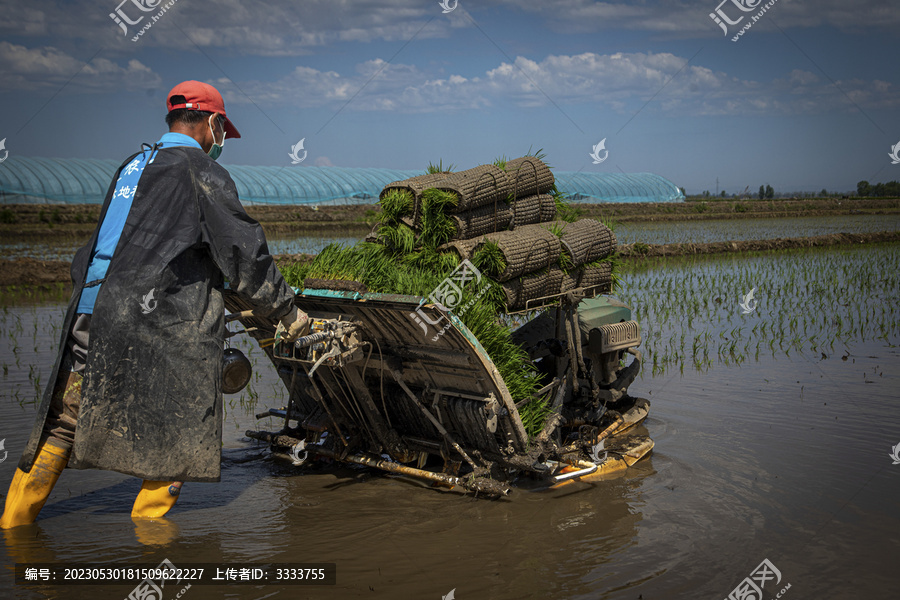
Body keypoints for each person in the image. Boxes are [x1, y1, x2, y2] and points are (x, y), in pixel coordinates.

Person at [0, 80, 308, 528]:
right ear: (213, 122)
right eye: (222, 131)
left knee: (64, 423)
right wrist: (287, 311)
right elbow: (244, 251)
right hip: (157, 324)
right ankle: (153, 556)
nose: (221, 141)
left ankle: (13, 533)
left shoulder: (132, 166)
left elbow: (92, 252)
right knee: (178, 428)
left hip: (92, 312)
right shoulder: (200, 170)